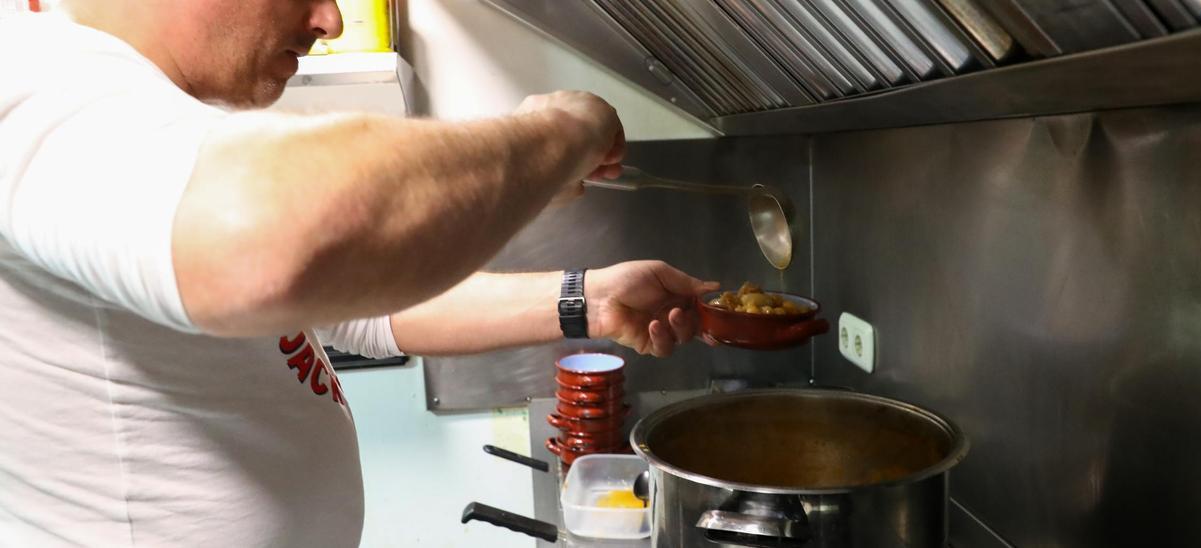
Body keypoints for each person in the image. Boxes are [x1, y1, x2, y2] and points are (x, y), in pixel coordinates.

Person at [0, 1, 717, 546]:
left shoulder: (138, 113)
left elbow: (361, 310)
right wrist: (564, 132)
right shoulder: (33, 80)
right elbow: (265, 247)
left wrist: (586, 300)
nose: (331, 20)